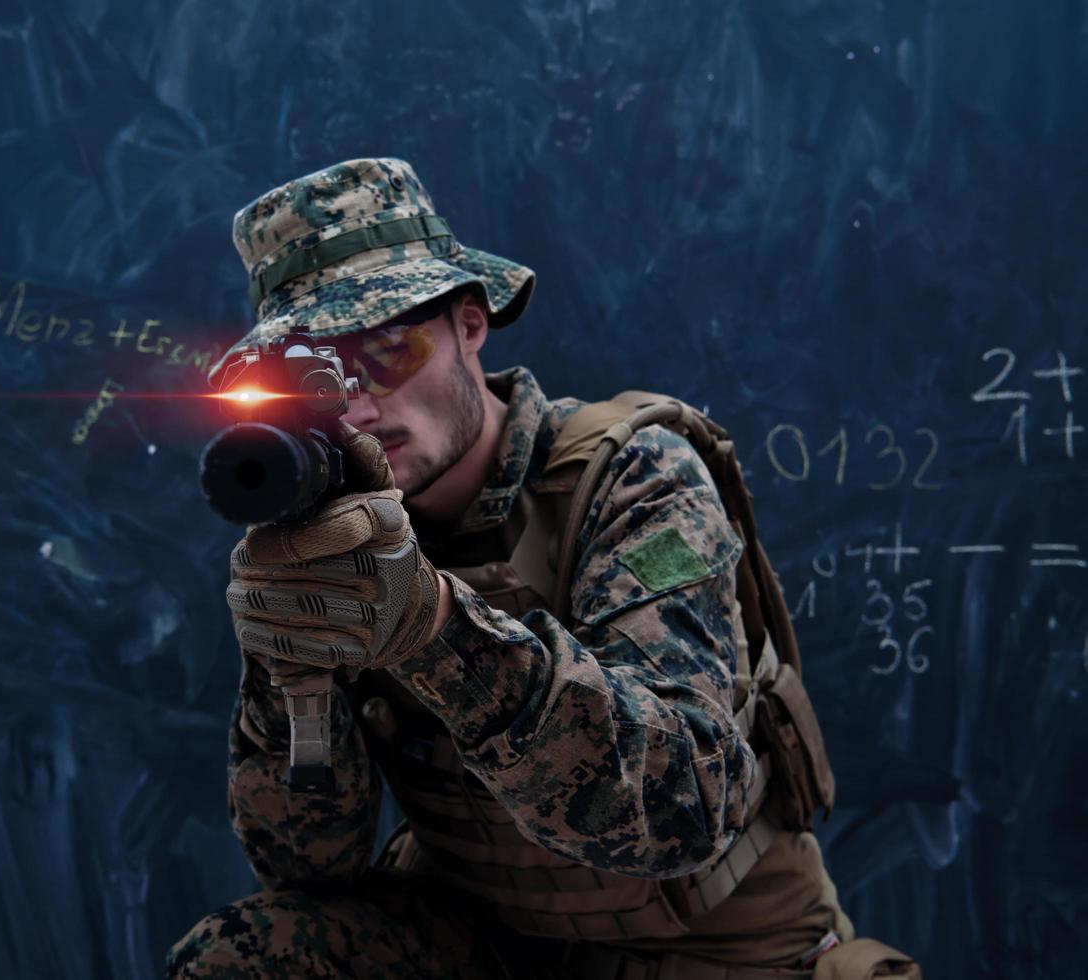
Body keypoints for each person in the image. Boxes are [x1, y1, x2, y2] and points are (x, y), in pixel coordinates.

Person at [165, 158, 919, 979]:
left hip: (712, 952)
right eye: (313, 379)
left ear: (470, 321)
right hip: (493, 942)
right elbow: (308, 867)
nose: (360, 405)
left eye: (386, 350)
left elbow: (682, 807)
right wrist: (290, 672)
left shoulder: (633, 480)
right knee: (243, 961)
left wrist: (431, 628)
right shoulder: (336, 532)